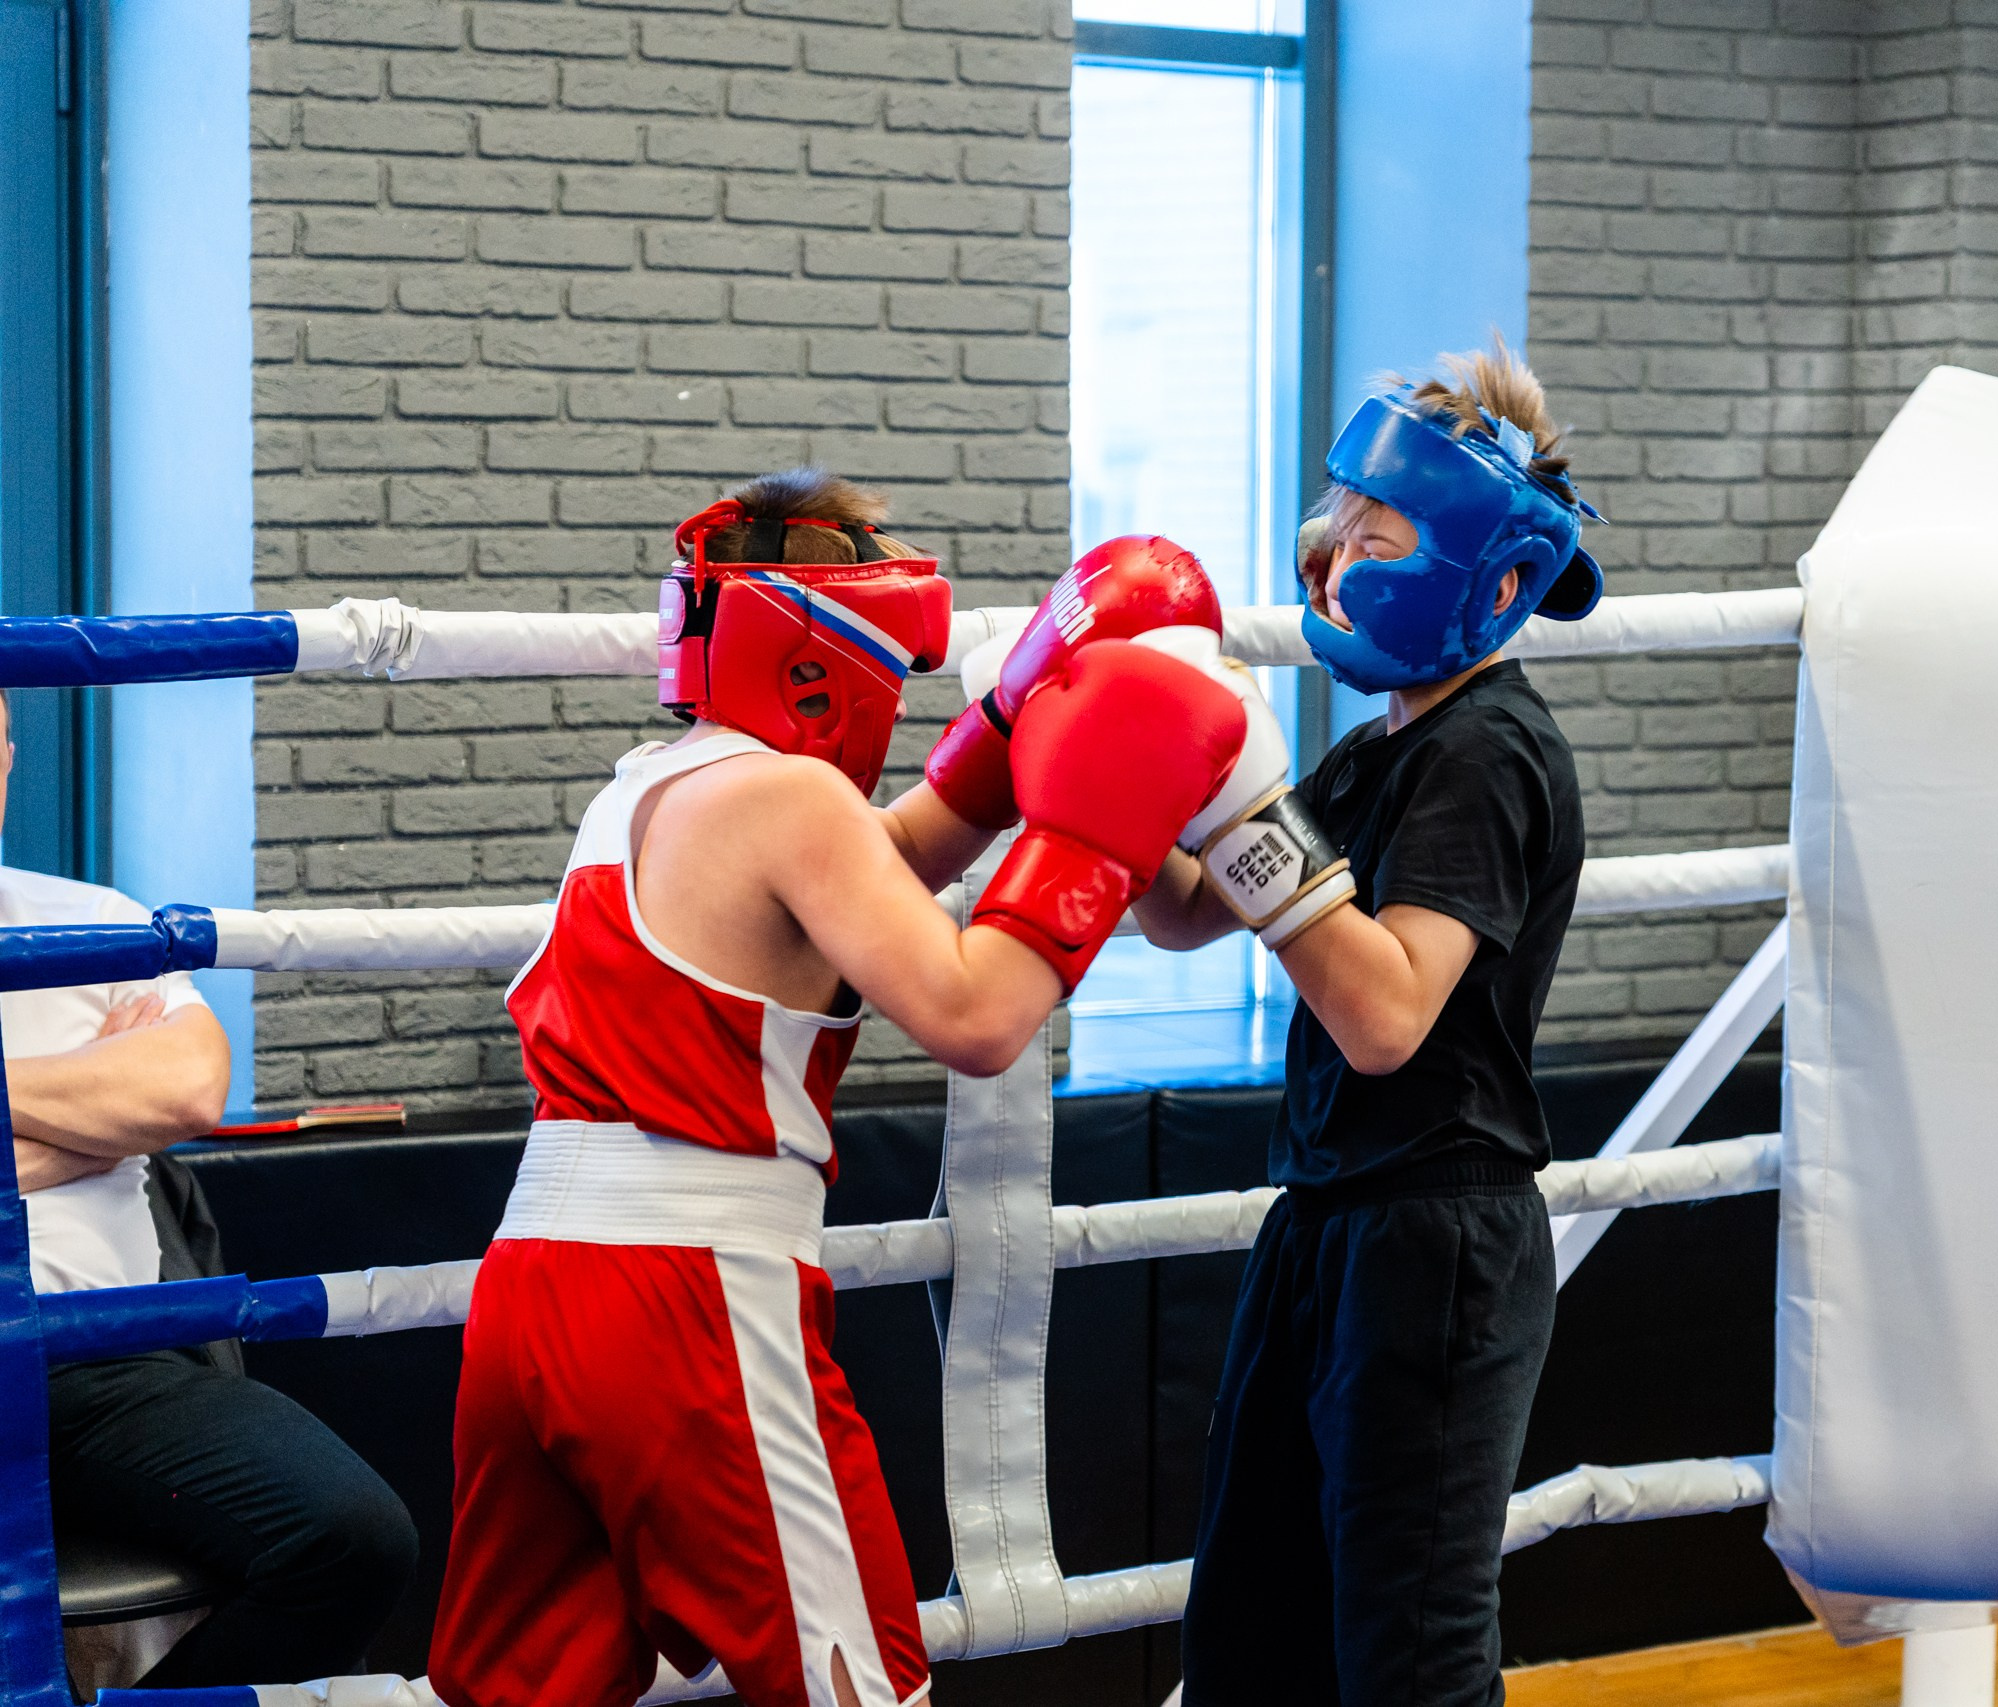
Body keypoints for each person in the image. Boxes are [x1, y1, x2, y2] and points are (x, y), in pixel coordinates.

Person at [429, 470, 1245, 1707]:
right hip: (688, 1292)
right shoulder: (798, 799)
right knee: (854, 1686)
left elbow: (891, 859)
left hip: (536, 1288)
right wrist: (1103, 813)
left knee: (522, 1688)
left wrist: (1010, 728)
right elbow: (977, 1016)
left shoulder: (646, 786)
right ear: (826, 644)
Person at [1133, 346, 1603, 1706]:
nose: (1334, 552)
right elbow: (1184, 913)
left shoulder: (1487, 750)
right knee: (1253, 1623)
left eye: (1374, 528)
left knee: (1406, 1646)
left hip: (1436, 1235)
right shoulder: (1381, 748)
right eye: (1339, 514)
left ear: (1489, 572)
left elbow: (1387, 1007)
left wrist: (1238, 811)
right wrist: (1093, 771)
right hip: (1331, 1221)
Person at [0, 691, 419, 1686]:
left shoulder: (91, 923)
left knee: (353, 1537)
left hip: (96, 1364)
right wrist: (84, 1135)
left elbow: (187, 1087)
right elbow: (139, 1105)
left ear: (10, 755)